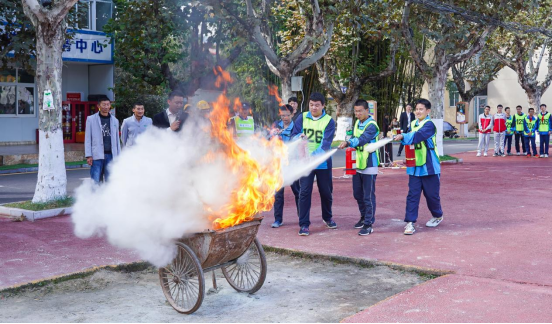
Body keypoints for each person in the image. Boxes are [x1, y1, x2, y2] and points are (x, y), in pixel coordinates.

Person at [394, 99, 444, 236]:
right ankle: (410, 222)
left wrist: (403, 135)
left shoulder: (430, 125)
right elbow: (411, 143)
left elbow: (418, 136)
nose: (418, 111)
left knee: (432, 196)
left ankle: (437, 215)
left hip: (430, 167)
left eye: (421, 109)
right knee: (412, 195)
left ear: (428, 111)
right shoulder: (413, 124)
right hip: (415, 167)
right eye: (417, 109)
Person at [291, 92, 336, 237]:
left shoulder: (329, 121)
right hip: (305, 163)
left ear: (323, 105)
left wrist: (313, 157)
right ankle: (304, 224)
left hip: (321, 163)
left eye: (317, 105)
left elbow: (326, 144)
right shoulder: (302, 117)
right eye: (311, 104)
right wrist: (299, 137)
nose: (314, 107)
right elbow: (294, 134)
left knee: (326, 192)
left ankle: (327, 217)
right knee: (304, 193)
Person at [338, 100, 380, 236]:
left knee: (368, 196)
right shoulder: (357, 122)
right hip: (358, 164)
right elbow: (355, 137)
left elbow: (362, 139)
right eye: (356, 111)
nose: (358, 113)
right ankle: (363, 217)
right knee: (357, 194)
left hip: (369, 164)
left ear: (367, 111)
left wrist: (349, 142)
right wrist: (348, 139)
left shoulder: (372, 125)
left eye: (360, 111)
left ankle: (369, 224)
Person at [271, 105, 300, 228]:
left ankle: (302, 217)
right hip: (279, 165)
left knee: (298, 192)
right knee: (278, 194)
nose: (284, 118)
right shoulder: (276, 126)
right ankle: (278, 219)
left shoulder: (297, 128)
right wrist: (272, 136)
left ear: (292, 115)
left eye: (287, 115)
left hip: (292, 165)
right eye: (282, 115)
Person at [85, 97, 121, 184]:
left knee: (110, 180)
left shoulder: (115, 120)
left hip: (111, 155)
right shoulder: (91, 119)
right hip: (96, 154)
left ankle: (108, 197)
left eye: (108, 104)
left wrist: (118, 156)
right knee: (96, 180)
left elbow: (117, 140)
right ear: (98, 106)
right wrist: (88, 155)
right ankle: (95, 197)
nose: (106, 107)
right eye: (103, 104)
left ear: (110, 106)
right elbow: (87, 138)